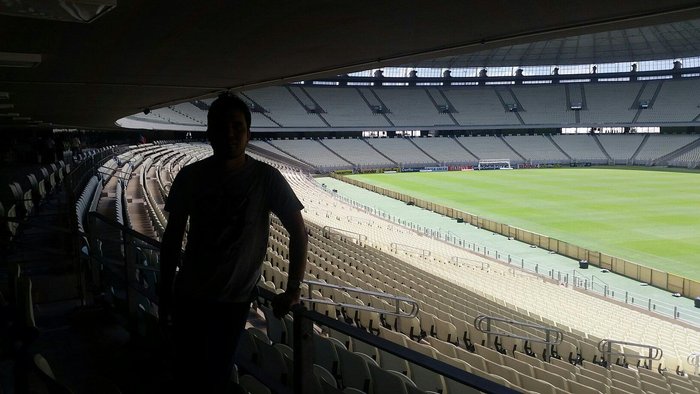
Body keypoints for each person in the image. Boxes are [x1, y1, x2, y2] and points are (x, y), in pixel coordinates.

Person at [158, 92, 308, 393]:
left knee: (211, 374)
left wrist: (293, 290)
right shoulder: (190, 177)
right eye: (222, 126)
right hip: (190, 296)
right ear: (209, 133)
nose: (230, 133)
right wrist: (165, 292)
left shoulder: (267, 178)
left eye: (237, 126)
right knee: (191, 373)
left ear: (248, 133)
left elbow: (300, 233)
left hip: (233, 303)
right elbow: (172, 239)